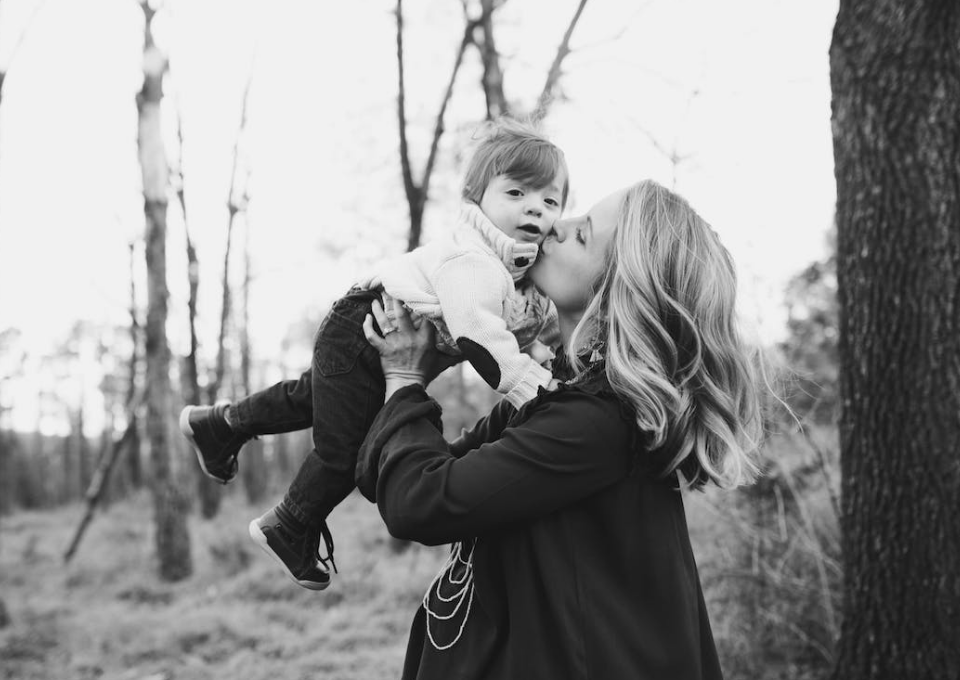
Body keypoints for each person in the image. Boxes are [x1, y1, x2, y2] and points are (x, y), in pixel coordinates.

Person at [356, 179, 763, 679]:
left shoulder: (597, 420)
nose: (555, 224)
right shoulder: (555, 396)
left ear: (618, 288)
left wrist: (403, 379)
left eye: (583, 234)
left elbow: (420, 502)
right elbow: (407, 476)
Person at [179, 118, 568, 590]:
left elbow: (532, 322)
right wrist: (533, 386)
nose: (535, 209)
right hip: (365, 326)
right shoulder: (473, 261)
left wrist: (551, 349)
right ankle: (289, 523)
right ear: (476, 197)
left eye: (550, 200)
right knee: (346, 447)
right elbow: (481, 337)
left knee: (310, 395)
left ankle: (218, 424)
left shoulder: (514, 271)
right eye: (517, 194)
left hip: (360, 328)